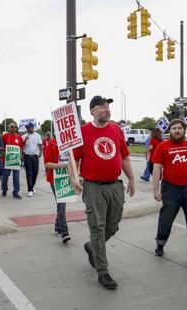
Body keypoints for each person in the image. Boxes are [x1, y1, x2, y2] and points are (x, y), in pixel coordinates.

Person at [69, 95, 135, 290]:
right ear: (92, 111)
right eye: (101, 106)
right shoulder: (82, 132)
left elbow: (124, 157)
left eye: (107, 106)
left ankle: (92, 247)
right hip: (93, 187)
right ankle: (103, 271)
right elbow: (73, 160)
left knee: (112, 226)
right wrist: (74, 178)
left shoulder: (115, 129)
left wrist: (131, 178)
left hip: (115, 185)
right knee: (97, 228)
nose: (106, 109)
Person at [152, 118, 187, 268]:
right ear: (169, 131)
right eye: (173, 129)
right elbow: (157, 168)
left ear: (184, 130)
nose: (176, 131)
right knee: (166, 221)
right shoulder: (163, 147)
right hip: (171, 190)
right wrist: (156, 189)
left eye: (179, 128)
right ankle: (160, 243)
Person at [44, 137, 71, 243]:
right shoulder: (52, 144)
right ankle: (64, 232)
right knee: (62, 204)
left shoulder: (70, 144)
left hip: (67, 178)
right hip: (55, 179)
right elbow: (47, 164)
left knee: (62, 204)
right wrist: (63, 165)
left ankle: (57, 227)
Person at [1, 122, 24, 199]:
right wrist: (3, 153)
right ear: (9, 128)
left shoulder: (19, 137)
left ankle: (16, 192)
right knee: (5, 177)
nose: (13, 128)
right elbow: (1, 147)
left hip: (15, 160)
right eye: (12, 127)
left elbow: (21, 147)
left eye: (15, 127)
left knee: (16, 176)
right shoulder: (4, 136)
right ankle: (4, 189)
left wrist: (20, 155)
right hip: (7, 160)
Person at [22, 123, 43, 197]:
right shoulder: (24, 136)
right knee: (29, 173)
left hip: (35, 156)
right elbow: (21, 146)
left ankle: (32, 186)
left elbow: (40, 145)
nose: (27, 129)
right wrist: (25, 140)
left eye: (29, 127)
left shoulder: (37, 136)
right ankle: (30, 189)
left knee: (35, 173)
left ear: (32, 128)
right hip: (27, 156)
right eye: (27, 128)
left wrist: (41, 152)